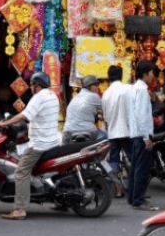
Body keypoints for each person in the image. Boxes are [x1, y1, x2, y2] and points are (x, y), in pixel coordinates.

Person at [0, 72, 61, 220]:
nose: (31, 88)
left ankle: (20, 209)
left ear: (37, 85)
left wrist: (5, 123)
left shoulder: (39, 97)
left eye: (32, 85)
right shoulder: (52, 96)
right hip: (53, 141)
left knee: (21, 171)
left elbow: (24, 115)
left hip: (40, 144)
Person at [128, 61, 158, 211]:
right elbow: (141, 115)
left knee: (136, 166)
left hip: (136, 133)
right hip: (141, 134)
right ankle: (138, 200)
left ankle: (133, 196)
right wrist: (146, 137)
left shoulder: (135, 88)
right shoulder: (141, 90)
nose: (153, 76)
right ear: (145, 73)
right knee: (142, 168)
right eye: (152, 72)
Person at [102, 65, 133, 198]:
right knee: (133, 159)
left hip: (113, 133)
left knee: (113, 160)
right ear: (121, 76)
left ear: (109, 77)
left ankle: (118, 190)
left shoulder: (106, 94)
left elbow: (106, 117)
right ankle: (134, 188)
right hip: (127, 131)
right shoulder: (128, 89)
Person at [63, 76, 103, 143]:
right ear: (90, 86)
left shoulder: (75, 98)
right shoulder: (94, 96)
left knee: (64, 149)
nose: (97, 88)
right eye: (96, 85)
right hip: (88, 131)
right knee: (106, 138)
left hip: (68, 132)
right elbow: (105, 111)